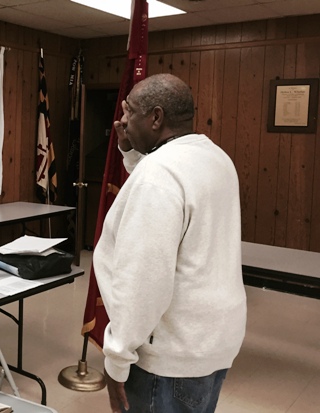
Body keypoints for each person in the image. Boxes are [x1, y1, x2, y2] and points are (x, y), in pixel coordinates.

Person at [93, 73, 247, 413]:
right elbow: (164, 192)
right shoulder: (216, 157)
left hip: (168, 360)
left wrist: (117, 360)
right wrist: (130, 153)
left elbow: (144, 281)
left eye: (129, 111)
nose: (122, 120)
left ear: (156, 117)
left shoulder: (159, 176)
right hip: (211, 342)